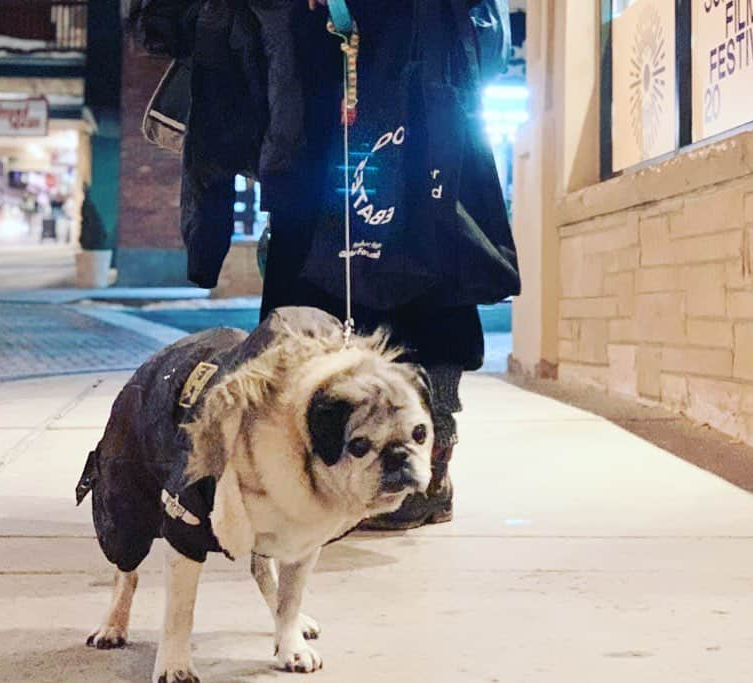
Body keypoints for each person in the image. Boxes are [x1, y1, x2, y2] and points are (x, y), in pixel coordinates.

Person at [130, 0, 518, 529]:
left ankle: (425, 466)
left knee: (427, 267)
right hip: (311, 88)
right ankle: (299, 467)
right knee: (310, 290)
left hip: (417, 80)